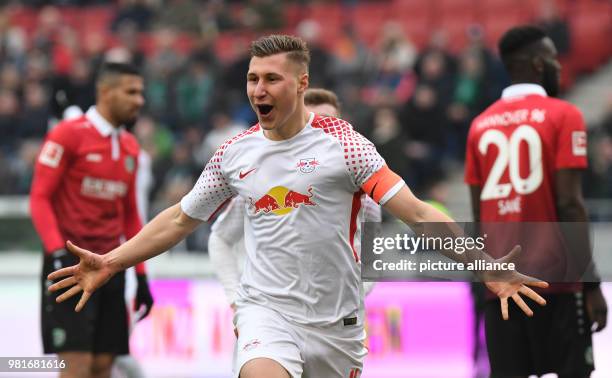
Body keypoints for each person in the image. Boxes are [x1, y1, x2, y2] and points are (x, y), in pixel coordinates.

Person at [47, 35, 547, 378]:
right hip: (269, 314)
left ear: (302, 84)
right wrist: (112, 262)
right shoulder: (233, 153)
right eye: (252, 78)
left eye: (271, 79)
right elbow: (180, 219)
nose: (258, 90)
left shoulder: (345, 147)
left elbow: (416, 213)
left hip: (339, 325)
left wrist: (486, 269)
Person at [464, 25, 608, 377]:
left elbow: (478, 217)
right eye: (554, 59)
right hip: (556, 283)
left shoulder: (480, 125)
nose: (559, 67)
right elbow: (570, 203)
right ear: (539, 64)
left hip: (502, 287)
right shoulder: (564, 115)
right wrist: (590, 285)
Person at [30, 62, 154, 378]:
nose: (139, 100)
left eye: (141, 93)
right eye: (131, 92)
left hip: (110, 266)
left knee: (103, 367)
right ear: (105, 91)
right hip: (69, 267)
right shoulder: (67, 135)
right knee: (77, 366)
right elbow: (39, 198)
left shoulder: (130, 147)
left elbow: (129, 215)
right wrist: (57, 252)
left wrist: (140, 276)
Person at [208, 88, 381, 310]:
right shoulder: (263, 184)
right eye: (313, 123)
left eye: (329, 122)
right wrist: (235, 298)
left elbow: (372, 257)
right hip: (270, 312)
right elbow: (220, 238)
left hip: (335, 316)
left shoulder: (365, 196)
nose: (322, 131)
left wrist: (354, 294)